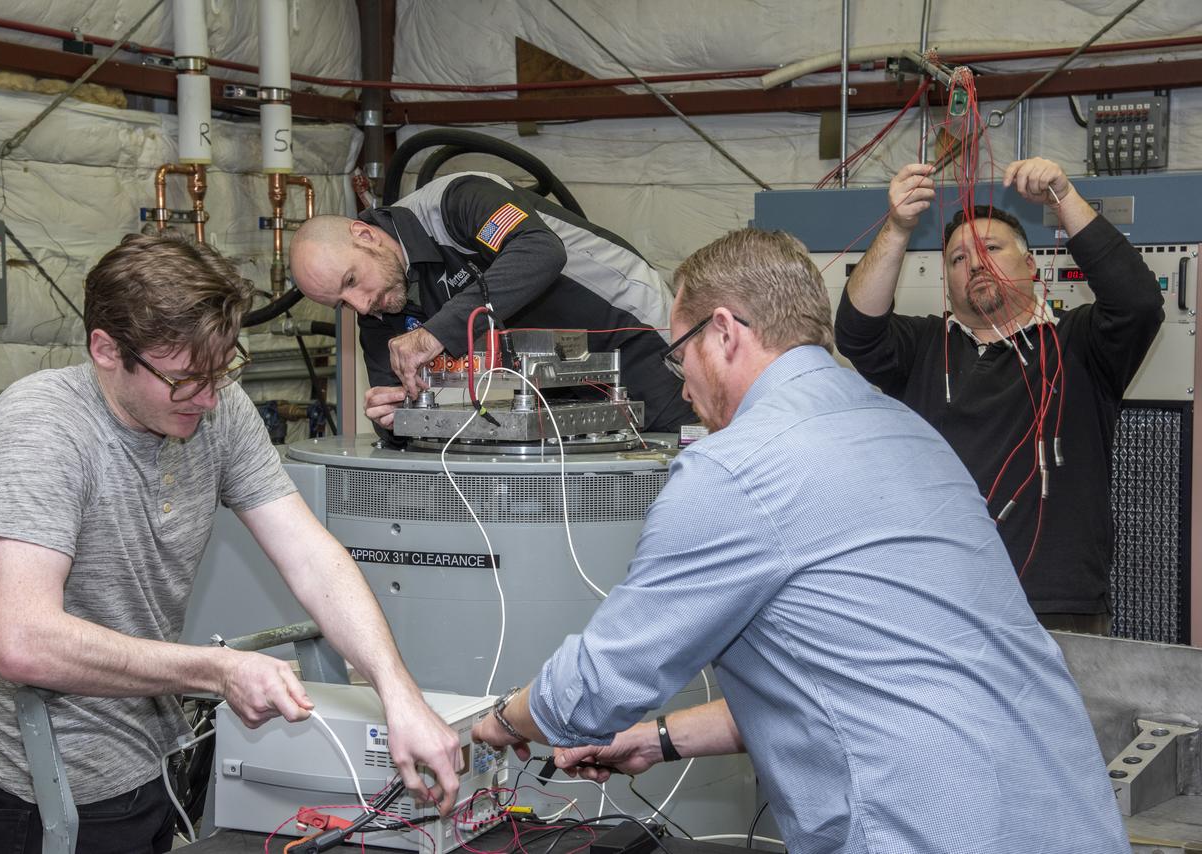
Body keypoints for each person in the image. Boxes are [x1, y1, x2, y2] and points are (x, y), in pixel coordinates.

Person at [470, 228, 1128, 854]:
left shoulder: (736, 469)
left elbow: (601, 683)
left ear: (724, 332)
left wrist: (496, 725)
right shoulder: (905, 431)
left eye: (680, 353)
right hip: (1067, 813)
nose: (682, 383)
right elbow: (853, 677)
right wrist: (659, 740)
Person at [0, 232, 462, 853]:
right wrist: (217, 669)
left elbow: (311, 557)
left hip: (156, 764)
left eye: (221, 369)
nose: (205, 395)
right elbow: (24, 641)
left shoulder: (216, 408)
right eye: (183, 379)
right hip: (49, 796)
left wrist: (398, 694)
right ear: (106, 349)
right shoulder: (39, 433)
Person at [834, 157, 1164, 634]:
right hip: (940, 602)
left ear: (1030, 265)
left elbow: (1137, 302)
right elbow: (857, 331)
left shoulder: (1081, 343)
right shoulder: (926, 348)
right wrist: (899, 225)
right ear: (945, 280)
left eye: (991, 247)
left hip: (1054, 605)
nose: (975, 263)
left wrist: (1063, 196)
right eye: (958, 259)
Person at [288, 171, 696, 441]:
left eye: (351, 282)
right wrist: (393, 418)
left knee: (670, 465)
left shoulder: (455, 201)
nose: (360, 305)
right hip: (559, 380)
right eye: (341, 304)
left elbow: (539, 250)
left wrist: (437, 331)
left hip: (633, 333)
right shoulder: (379, 302)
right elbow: (398, 413)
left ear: (365, 235)